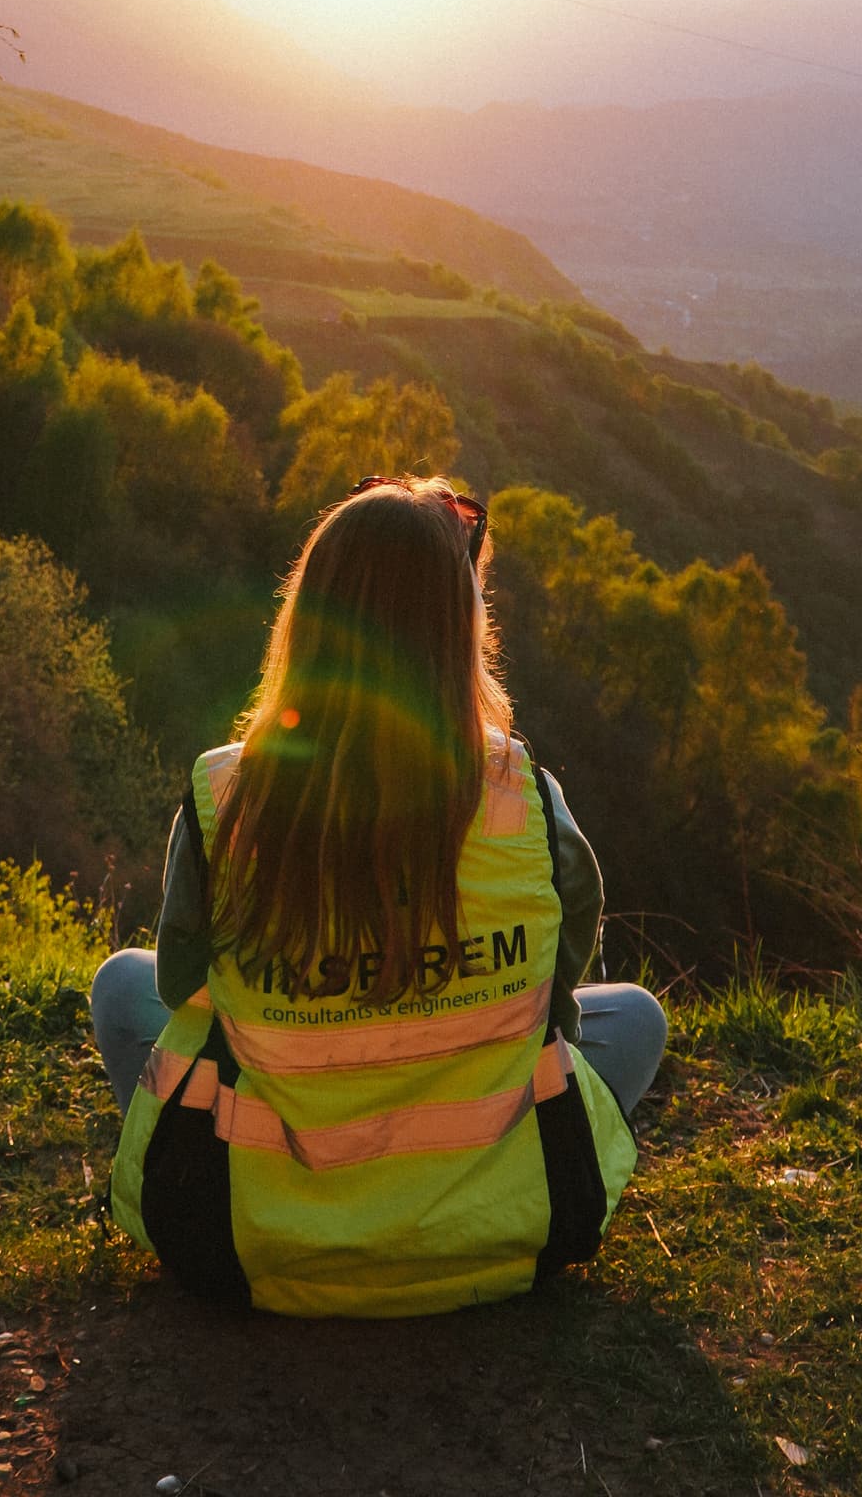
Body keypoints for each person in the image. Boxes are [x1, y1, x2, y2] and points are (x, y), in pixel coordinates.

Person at [91, 475, 667, 1318]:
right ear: (459, 632)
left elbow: (182, 987)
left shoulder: (227, 797)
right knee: (638, 1017)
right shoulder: (527, 799)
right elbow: (558, 998)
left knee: (121, 984)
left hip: (253, 1240)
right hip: (503, 1229)